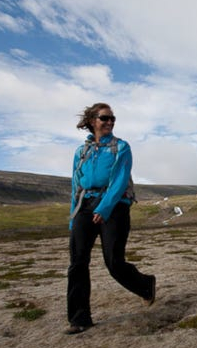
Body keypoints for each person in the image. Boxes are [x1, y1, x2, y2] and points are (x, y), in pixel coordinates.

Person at [66, 102, 156, 334]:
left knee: (114, 262)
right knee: (77, 262)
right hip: (85, 206)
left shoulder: (121, 147)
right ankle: (79, 318)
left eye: (112, 119)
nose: (109, 122)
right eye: (105, 118)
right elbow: (76, 184)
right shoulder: (81, 151)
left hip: (114, 207)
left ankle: (145, 286)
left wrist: (104, 208)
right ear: (92, 121)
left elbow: (119, 180)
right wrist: (73, 216)